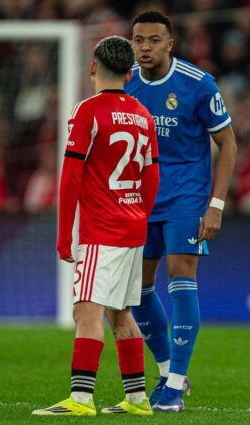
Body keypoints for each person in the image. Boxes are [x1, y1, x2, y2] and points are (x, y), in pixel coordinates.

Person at [32, 36, 160, 417]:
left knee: (86, 311)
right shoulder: (143, 115)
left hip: (100, 231)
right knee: (121, 313)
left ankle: (81, 398)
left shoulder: (86, 111)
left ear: (92, 67)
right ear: (130, 74)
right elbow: (152, 176)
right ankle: (137, 399)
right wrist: (139, 215)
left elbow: (71, 176)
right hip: (133, 228)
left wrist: (63, 236)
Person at [125, 11, 237, 412]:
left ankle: (173, 387)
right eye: (139, 40)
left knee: (181, 273)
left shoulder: (198, 83)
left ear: (169, 44)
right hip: (140, 199)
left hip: (186, 198)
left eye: (154, 40)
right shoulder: (125, 82)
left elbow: (228, 143)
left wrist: (216, 204)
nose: (145, 47)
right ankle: (168, 370)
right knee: (136, 289)